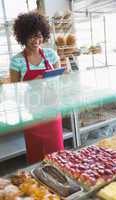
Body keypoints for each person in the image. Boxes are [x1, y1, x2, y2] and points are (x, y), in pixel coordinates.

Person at [10, 11, 64, 164]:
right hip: (31, 114)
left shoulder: (52, 55)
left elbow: (58, 82)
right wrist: (34, 83)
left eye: (39, 36)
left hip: (52, 111)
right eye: (32, 36)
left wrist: (51, 82)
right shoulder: (17, 61)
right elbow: (14, 90)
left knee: (57, 156)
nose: (36, 40)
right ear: (23, 36)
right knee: (36, 156)